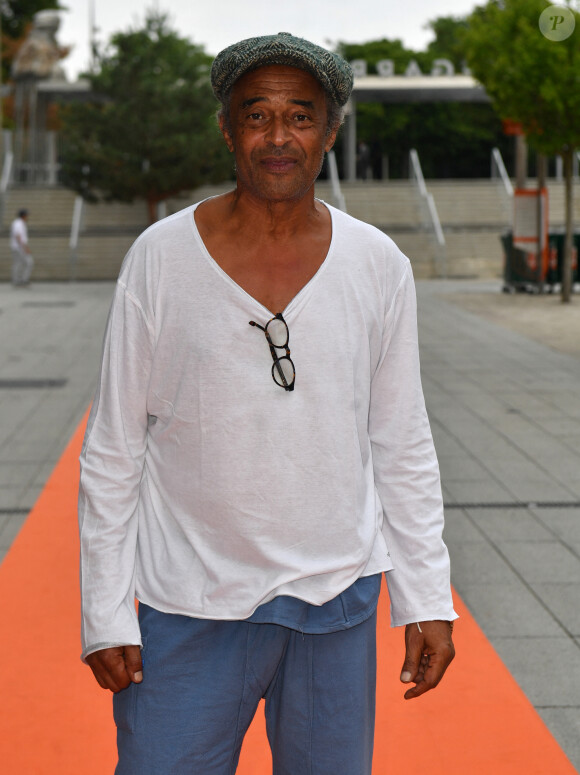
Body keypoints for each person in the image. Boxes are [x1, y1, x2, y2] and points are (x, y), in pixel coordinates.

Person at [79, 32, 457, 775]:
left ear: (331, 130)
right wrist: (104, 609)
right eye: (257, 115)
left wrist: (426, 595)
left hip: (336, 601)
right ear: (227, 127)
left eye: (301, 115)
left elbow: (402, 439)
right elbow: (114, 445)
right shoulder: (159, 258)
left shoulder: (378, 263)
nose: (279, 136)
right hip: (187, 601)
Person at [10, 209, 33, 287]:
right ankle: (22, 280)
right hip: (19, 247)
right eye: (27, 215)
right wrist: (25, 247)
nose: (27, 217)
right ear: (23, 215)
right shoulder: (18, 223)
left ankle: (18, 280)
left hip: (18, 247)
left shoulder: (19, 223)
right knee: (28, 262)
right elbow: (18, 236)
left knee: (19, 263)